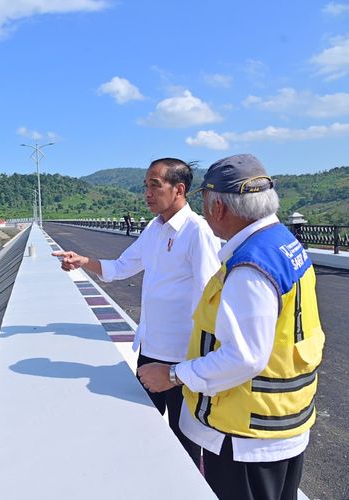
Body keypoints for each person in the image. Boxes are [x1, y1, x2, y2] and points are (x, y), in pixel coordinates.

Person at [138, 154, 325, 500]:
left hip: (245, 434)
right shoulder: (284, 243)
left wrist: (173, 376)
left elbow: (244, 358)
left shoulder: (250, 267)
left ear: (219, 208)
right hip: (283, 422)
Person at [53, 158, 221, 463]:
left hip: (182, 358)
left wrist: (200, 364)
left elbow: (211, 298)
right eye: (146, 186)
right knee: (143, 430)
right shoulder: (154, 229)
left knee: (185, 443)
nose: (147, 193)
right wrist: (83, 261)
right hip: (150, 349)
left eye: (154, 186)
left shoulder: (197, 232)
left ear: (179, 189)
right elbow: (120, 267)